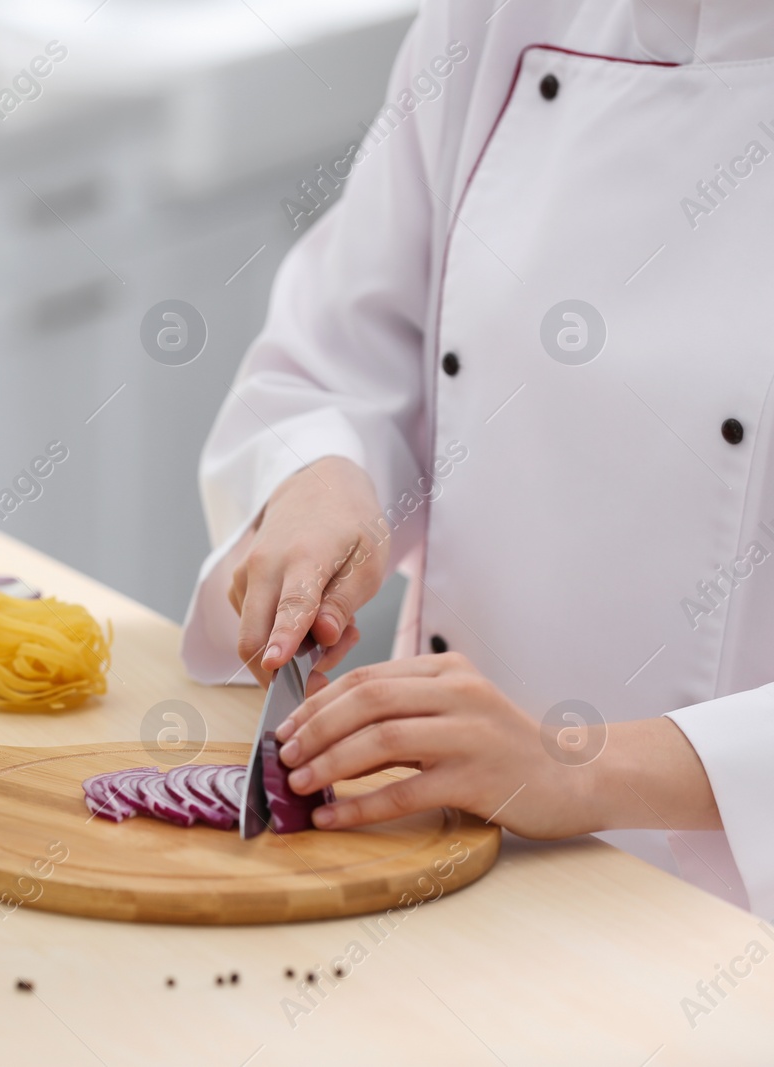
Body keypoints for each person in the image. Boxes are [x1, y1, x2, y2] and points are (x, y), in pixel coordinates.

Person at [181, 0, 774, 917]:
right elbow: (337, 355)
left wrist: (577, 768)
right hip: (438, 851)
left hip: (737, 929)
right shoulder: (494, 17)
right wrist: (322, 473)